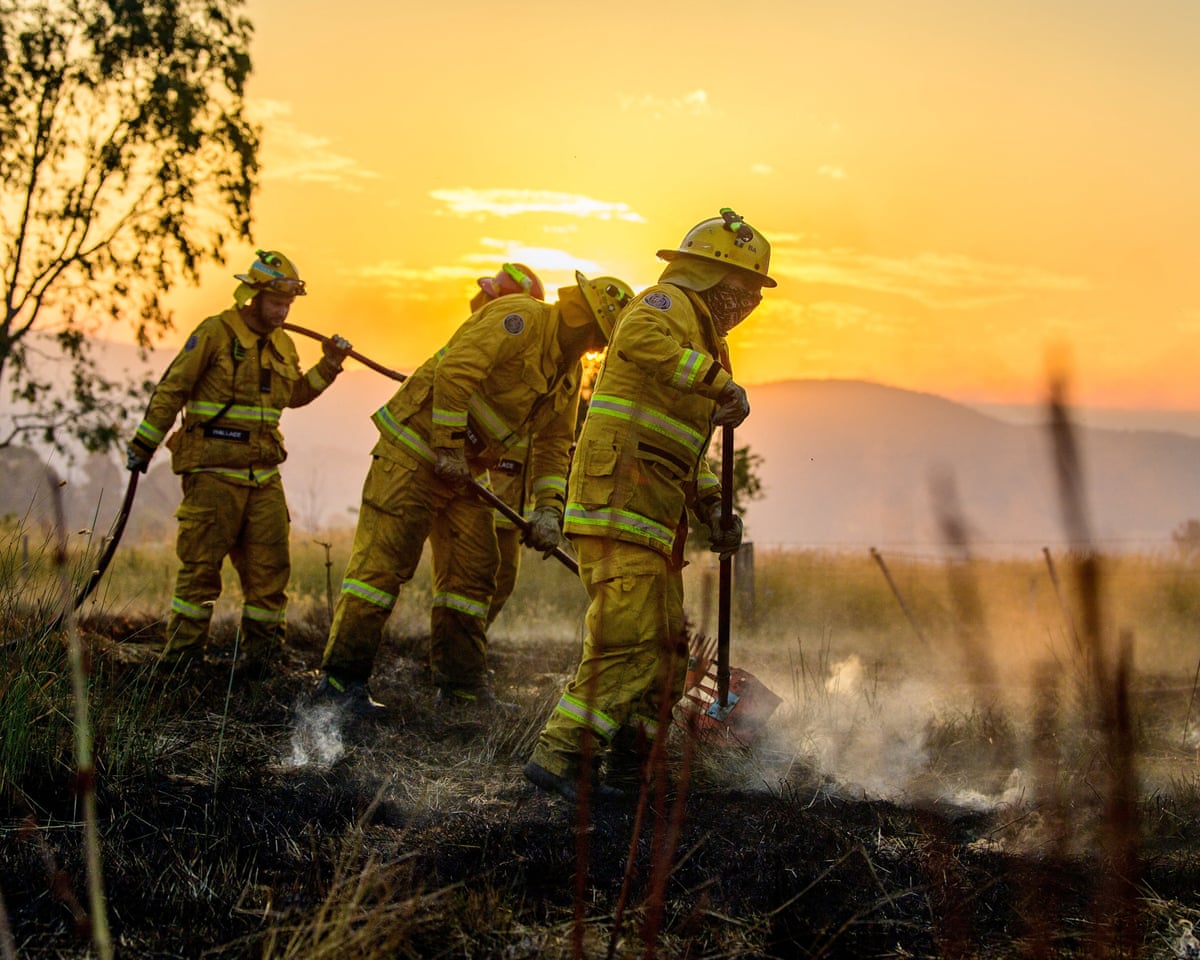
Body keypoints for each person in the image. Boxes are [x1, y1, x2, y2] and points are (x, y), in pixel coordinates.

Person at [523, 208, 775, 801]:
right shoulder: (665, 306)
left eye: (754, 294)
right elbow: (637, 338)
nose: (745, 303)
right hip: (619, 503)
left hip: (655, 515)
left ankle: (630, 772)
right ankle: (558, 758)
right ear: (706, 274)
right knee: (627, 642)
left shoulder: (712, 343)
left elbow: (689, 448)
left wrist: (715, 509)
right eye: (739, 289)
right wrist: (718, 383)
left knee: (665, 654)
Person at [313, 270, 634, 717]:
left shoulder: (567, 372)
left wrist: (547, 511)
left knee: (475, 572)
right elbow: (456, 372)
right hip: (415, 448)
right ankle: (339, 681)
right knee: (384, 566)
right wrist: (446, 445)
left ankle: (459, 688)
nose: (598, 345)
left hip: (465, 471)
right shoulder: (517, 318)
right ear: (582, 317)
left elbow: (553, 446)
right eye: (600, 333)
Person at [125, 249, 354, 676]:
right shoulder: (214, 333)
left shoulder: (284, 343)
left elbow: (296, 396)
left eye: (289, 303)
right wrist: (144, 444)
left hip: (264, 477)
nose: (284, 310)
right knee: (200, 574)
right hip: (213, 474)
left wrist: (331, 365)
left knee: (270, 578)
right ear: (253, 295)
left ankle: (262, 667)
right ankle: (182, 666)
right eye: (276, 302)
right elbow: (172, 390)